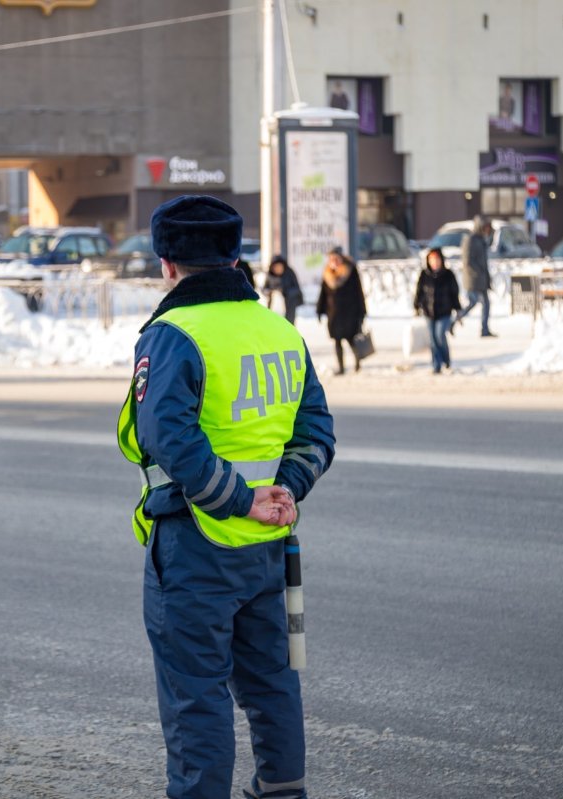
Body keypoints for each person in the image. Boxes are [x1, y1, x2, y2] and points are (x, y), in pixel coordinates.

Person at [117, 195, 335, 799]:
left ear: (167, 264)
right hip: (269, 544)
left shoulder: (173, 333)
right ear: (235, 257)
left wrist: (237, 499)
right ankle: (284, 792)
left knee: (197, 699)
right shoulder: (280, 331)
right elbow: (317, 430)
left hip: (196, 542)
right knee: (273, 682)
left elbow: (167, 437)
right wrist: (283, 492)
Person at [316, 247, 368, 374]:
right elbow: (323, 294)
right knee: (337, 341)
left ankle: (357, 363)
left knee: (351, 339)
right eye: (331, 259)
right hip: (334, 313)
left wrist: (362, 312)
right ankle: (341, 367)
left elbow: (359, 292)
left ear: (341, 258)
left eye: (336, 258)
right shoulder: (328, 273)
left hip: (350, 313)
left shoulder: (350, 271)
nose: (334, 261)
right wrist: (319, 310)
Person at [413, 247, 463, 374]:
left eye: (436, 259)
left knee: (440, 335)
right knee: (433, 339)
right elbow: (419, 292)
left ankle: (446, 360)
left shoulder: (448, 275)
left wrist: (457, 309)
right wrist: (417, 305)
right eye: (432, 260)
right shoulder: (425, 274)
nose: (434, 262)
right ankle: (436, 365)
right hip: (428, 312)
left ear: (441, 260)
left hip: (444, 311)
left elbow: (454, 293)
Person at [457, 215, 495, 336]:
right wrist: (479, 272)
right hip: (473, 279)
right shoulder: (470, 240)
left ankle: (484, 329)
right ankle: (454, 319)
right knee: (473, 302)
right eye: (486, 228)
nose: (488, 231)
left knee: (485, 303)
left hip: (481, 279)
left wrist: (486, 277)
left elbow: (483, 261)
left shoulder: (481, 240)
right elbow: (468, 260)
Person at [264, 255, 304, 325]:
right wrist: (270, 292)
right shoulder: (270, 275)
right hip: (273, 308)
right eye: (276, 267)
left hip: (289, 306)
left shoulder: (290, 273)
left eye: (280, 267)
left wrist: (285, 292)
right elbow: (264, 289)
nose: (278, 269)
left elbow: (297, 289)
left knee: (288, 326)